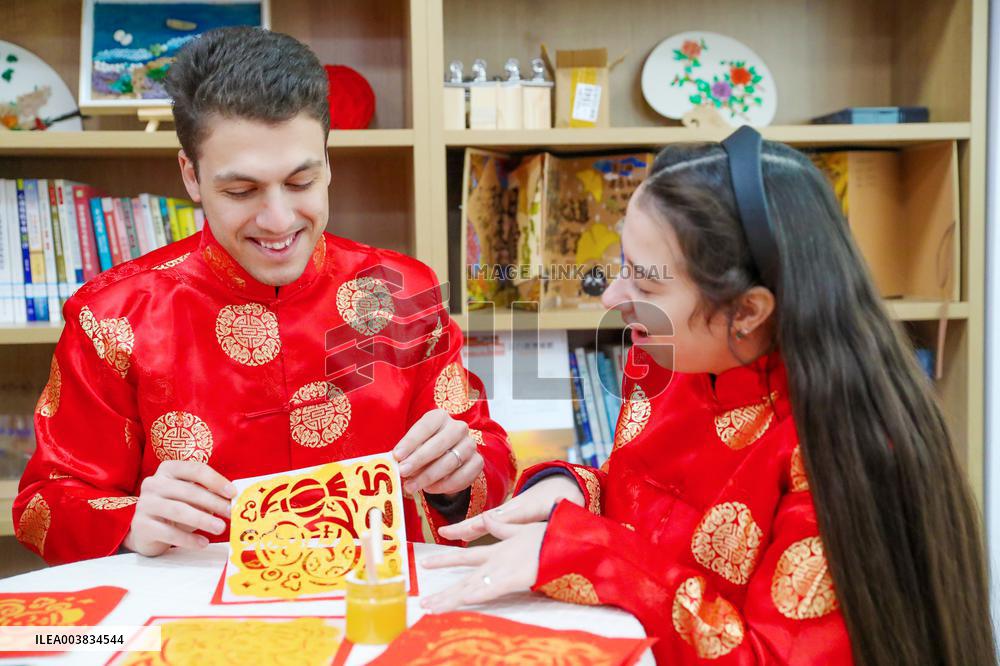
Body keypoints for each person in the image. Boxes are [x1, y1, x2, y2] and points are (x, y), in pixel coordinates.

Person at [421, 129, 995, 665]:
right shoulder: (670, 358)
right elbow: (642, 520)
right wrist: (571, 488)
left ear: (747, 310)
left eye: (646, 285)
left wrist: (588, 551)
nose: (614, 298)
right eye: (621, 269)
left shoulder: (845, 451)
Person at [13, 27, 514, 565]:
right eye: (241, 191)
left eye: (302, 182)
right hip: (197, 623)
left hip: (381, 605)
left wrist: (456, 478)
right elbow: (44, 503)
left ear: (328, 163)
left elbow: (487, 456)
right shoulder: (113, 316)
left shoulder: (402, 291)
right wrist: (130, 520)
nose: (278, 221)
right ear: (191, 176)